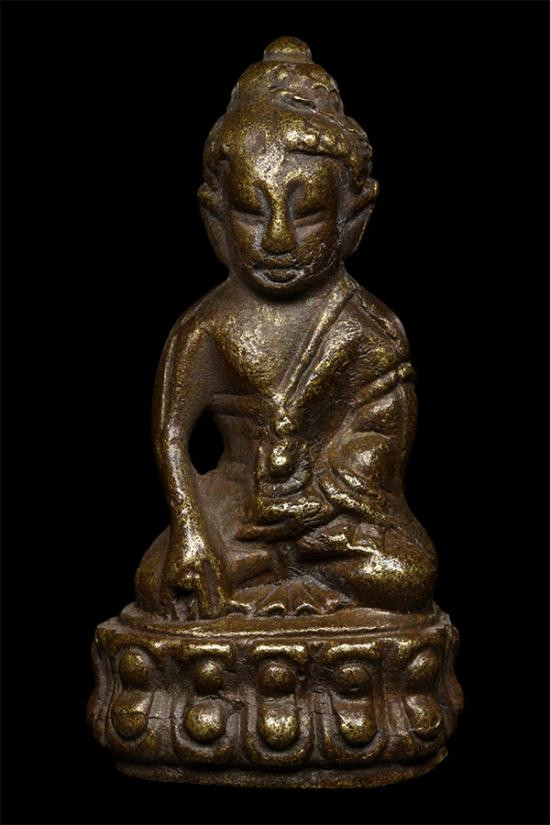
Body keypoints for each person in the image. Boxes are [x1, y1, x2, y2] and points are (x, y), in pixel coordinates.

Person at [134, 37, 436, 621]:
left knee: (407, 576)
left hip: (333, 518)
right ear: (215, 217)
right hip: (237, 509)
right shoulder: (207, 327)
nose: (276, 240)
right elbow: (171, 435)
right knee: (158, 579)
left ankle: (277, 569)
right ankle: (267, 567)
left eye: (308, 213)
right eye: (251, 212)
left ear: (355, 217)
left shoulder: (368, 329)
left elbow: (382, 436)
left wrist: (319, 502)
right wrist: (192, 531)